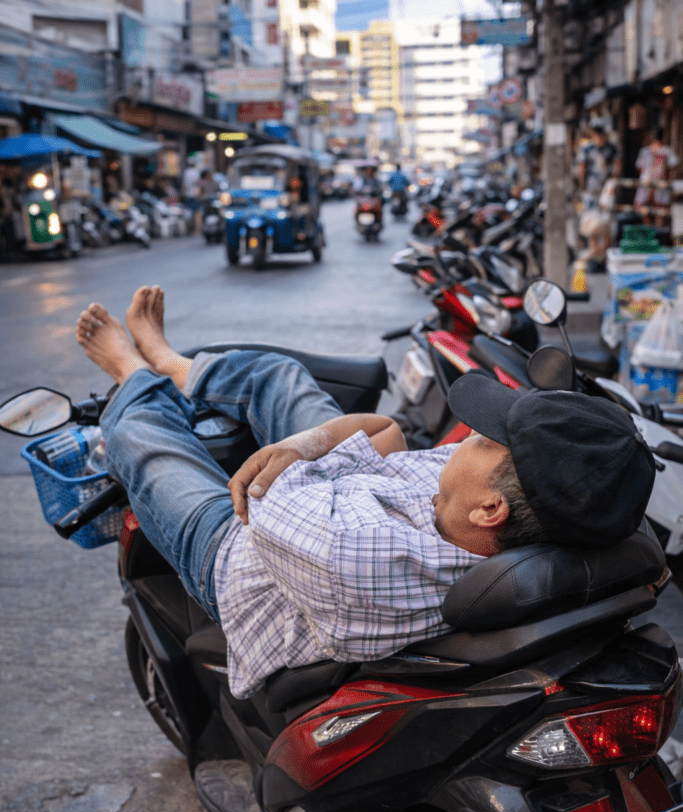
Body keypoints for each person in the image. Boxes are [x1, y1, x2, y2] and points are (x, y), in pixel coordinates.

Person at [74, 289, 656, 699]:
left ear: (490, 509)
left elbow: (260, 489)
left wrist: (314, 451)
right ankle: (174, 363)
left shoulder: (354, 554)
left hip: (240, 555)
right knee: (282, 378)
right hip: (326, 496)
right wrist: (313, 448)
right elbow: (389, 433)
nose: (463, 438)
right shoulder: (486, 515)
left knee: (144, 443)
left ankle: (131, 369)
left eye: (481, 438)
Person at [576, 119, 618, 271]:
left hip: (599, 191)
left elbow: (582, 170)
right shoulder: (591, 149)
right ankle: (598, 255)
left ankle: (599, 255)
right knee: (597, 224)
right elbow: (616, 170)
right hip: (600, 192)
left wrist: (582, 188)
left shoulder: (591, 149)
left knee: (599, 224)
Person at [635, 128, 680, 227]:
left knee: (659, 212)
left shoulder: (666, 151)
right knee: (644, 210)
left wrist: (668, 179)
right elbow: (640, 167)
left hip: (660, 185)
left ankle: (657, 237)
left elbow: (674, 166)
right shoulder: (645, 151)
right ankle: (649, 236)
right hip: (646, 184)